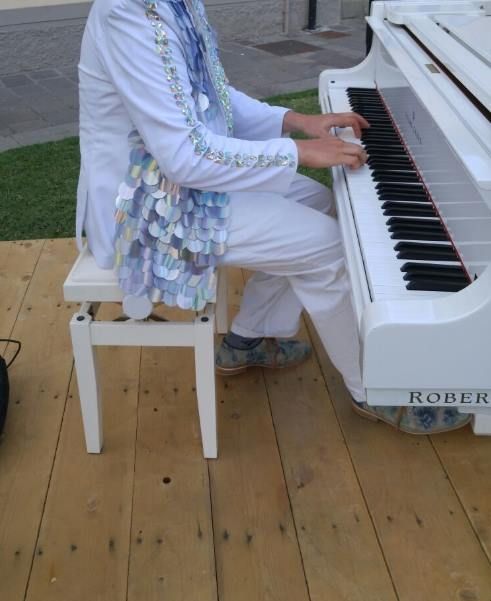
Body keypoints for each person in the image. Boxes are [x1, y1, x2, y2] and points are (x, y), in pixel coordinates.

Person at [77, 0, 470, 435]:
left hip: (185, 183)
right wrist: (298, 151)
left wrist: (296, 121)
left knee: (320, 203)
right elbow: (184, 156)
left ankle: (249, 337)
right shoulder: (127, 15)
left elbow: (214, 97)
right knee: (327, 245)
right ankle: (374, 388)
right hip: (146, 209)